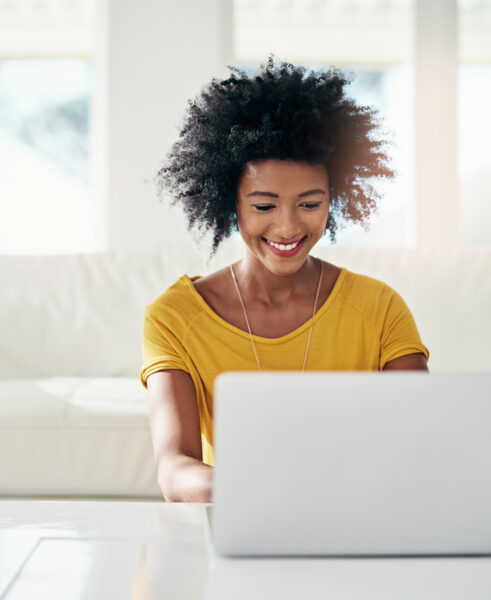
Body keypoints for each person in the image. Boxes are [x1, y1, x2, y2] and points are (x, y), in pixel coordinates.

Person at [139, 58, 429, 503]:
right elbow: (175, 469)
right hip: (242, 522)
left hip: (356, 520)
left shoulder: (380, 309)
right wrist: (262, 490)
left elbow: (422, 449)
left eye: (310, 204)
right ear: (228, 202)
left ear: (335, 199)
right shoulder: (175, 317)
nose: (289, 227)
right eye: (264, 206)